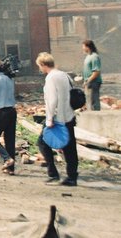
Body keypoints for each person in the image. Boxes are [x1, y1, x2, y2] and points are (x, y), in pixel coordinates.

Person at [35, 52, 78, 186]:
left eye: (40, 66)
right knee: (70, 147)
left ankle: (53, 174)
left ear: (43, 65)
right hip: (69, 115)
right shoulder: (64, 75)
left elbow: (52, 100)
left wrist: (49, 119)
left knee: (42, 142)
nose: (40, 69)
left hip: (57, 117)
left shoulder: (51, 78)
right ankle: (72, 176)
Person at [82, 39, 102, 111]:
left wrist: (88, 81)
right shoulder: (88, 56)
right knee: (89, 101)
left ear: (88, 47)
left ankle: (96, 115)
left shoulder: (94, 57)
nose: (82, 48)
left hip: (94, 82)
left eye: (83, 46)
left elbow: (96, 72)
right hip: (88, 82)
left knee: (94, 100)